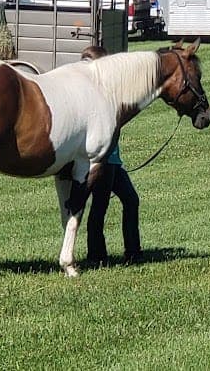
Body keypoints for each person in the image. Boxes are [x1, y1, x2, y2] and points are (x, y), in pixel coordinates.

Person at [81, 46, 143, 264]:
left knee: (131, 200)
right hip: (104, 162)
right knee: (99, 208)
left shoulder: (108, 92)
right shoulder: (96, 97)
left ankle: (133, 252)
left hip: (113, 161)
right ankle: (97, 256)